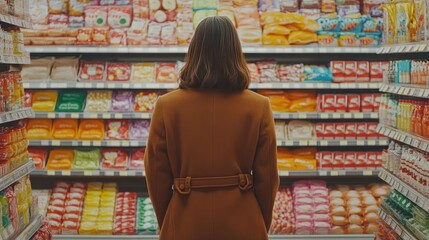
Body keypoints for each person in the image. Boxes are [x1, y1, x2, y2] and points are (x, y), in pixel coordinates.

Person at [144, 16, 279, 240]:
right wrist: (256, 220)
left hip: (185, 219)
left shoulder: (167, 106)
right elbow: (268, 178)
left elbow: (156, 174)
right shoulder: (258, 106)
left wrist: (171, 217)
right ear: (236, 53)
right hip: (243, 221)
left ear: (194, 51)